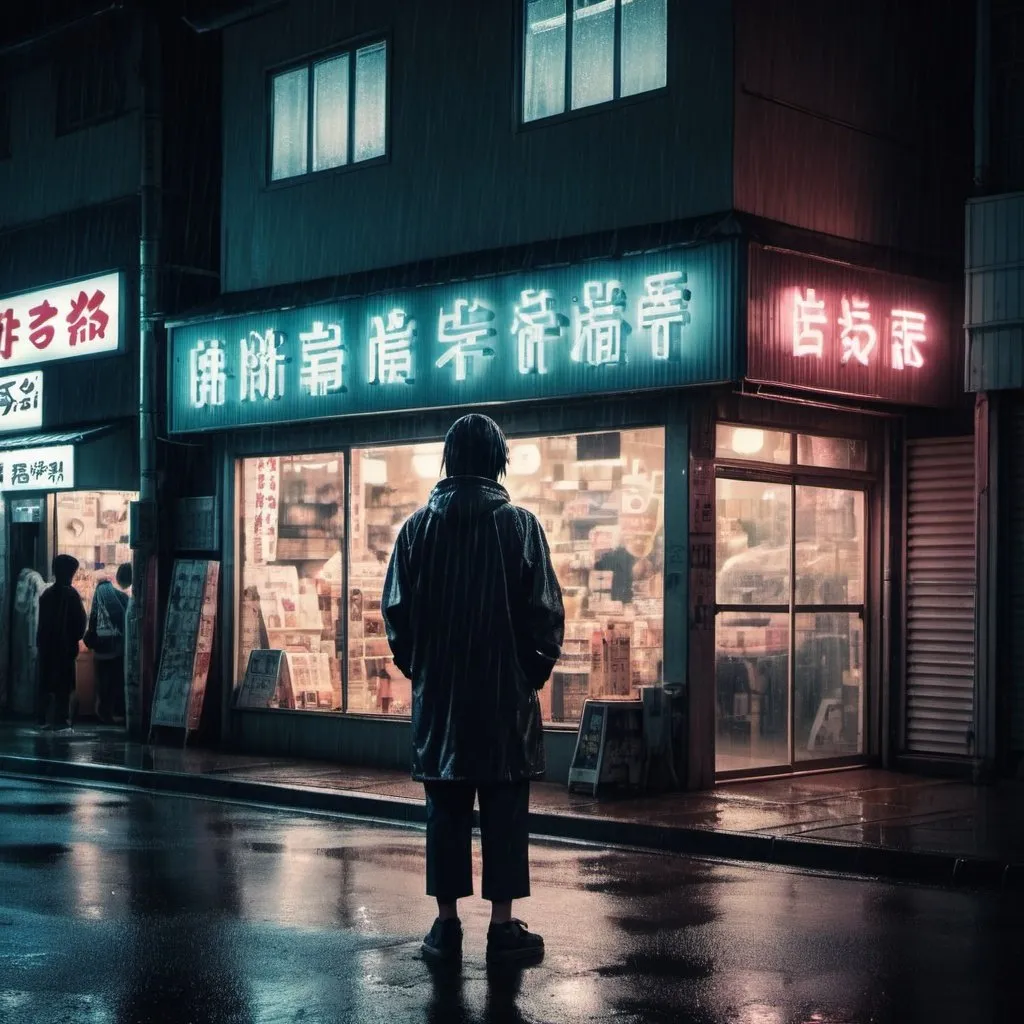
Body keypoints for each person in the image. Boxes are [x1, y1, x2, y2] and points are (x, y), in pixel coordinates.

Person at [383, 413, 565, 965]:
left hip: (441, 707)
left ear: (449, 460)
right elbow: (546, 617)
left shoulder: (417, 529)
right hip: (504, 705)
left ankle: (446, 925)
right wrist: (523, 677)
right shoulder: (521, 527)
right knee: (506, 814)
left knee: (446, 813)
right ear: (497, 462)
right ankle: (503, 927)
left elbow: (397, 615)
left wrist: (427, 676)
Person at [36, 554, 87, 733]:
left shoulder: (47, 595)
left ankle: (43, 720)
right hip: (65, 651)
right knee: (64, 688)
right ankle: (61, 721)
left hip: (47, 650)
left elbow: (41, 625)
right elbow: (81, 623)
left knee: (47, 686)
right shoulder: (72, 595)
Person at [84, 563, 131, 723]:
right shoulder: (125, 597)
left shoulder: (100, 593)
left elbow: (93, 619)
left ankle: (104, 712)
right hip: (117, 648)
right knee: (115, 682)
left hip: (100, 648)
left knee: (103, 682)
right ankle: (116, 712)